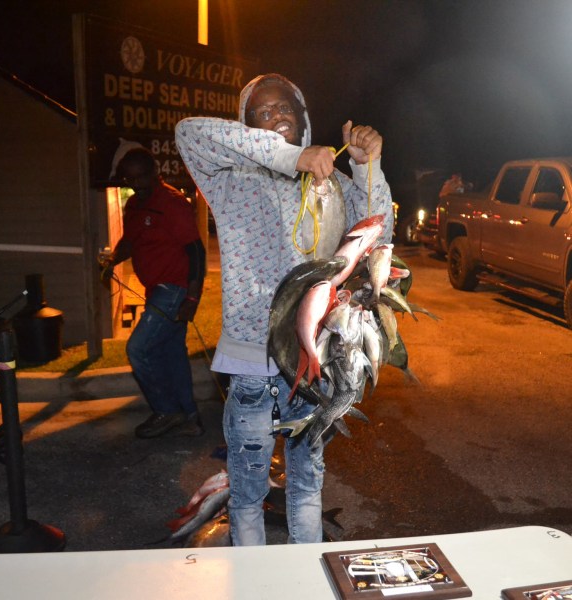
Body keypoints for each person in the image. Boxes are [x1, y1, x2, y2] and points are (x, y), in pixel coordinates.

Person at [175, 73, 393, 545]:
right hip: (251, 361)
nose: (276, 118)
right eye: (262, 112)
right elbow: (187, 133)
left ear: (304, 118)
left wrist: (366, 167)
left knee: (307, 483)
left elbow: (380, 233)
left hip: (314, 357)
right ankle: (253, 583)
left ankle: (304, 581)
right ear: (247, 124)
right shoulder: (230, 178)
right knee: (248, 489)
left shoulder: (332, 178)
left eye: (285, 109)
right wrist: (291, 158)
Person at [102, 147, 206, 439]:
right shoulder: (134, 205)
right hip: (155, 290)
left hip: (173, 290)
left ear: (155, 173)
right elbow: (131, 242)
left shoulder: (172, 203)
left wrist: (192, 299)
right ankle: (190, 418)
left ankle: (166, 410)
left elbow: (196, 252)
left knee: (138, 349)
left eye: (142, 176)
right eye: (130, 178)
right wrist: (111, 261)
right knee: (173, 354)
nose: (137, 183)